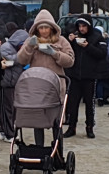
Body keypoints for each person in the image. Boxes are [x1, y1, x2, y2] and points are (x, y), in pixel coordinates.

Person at [16, 9, 74, 145]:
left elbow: (70, 61)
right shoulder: (31, 40)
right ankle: (39, 149)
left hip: (56, 85)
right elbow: (21, 60)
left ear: (52, 28)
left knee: (56, 121)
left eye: (46, 27)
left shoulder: (62, 41)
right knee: (38, 120)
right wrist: (30, 47)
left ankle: (57, 151)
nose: (43, 31)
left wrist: (54, 53)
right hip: (37, 86)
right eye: (41, 28)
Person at [65, 17, 105, 138]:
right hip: (74, 76)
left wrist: (88, 46)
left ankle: (89, 127)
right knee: (73, 104)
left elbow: (102, 54)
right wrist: (70, 41)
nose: (81, 29)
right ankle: (72, 127)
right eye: (80, 26)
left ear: (89, 26)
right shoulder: (75, 36)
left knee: (89, 103)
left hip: (89, 76)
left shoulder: (97, 37)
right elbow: (67, 53)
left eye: (84, 26)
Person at [0, 26, 28, 140]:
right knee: (7, 109)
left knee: (13, 109)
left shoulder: (17, 48)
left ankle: (6, 131)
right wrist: (21, 56)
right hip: (6, 82)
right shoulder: (6, 47)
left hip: (15, 82)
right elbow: (6, 61)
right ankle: (8, 134)